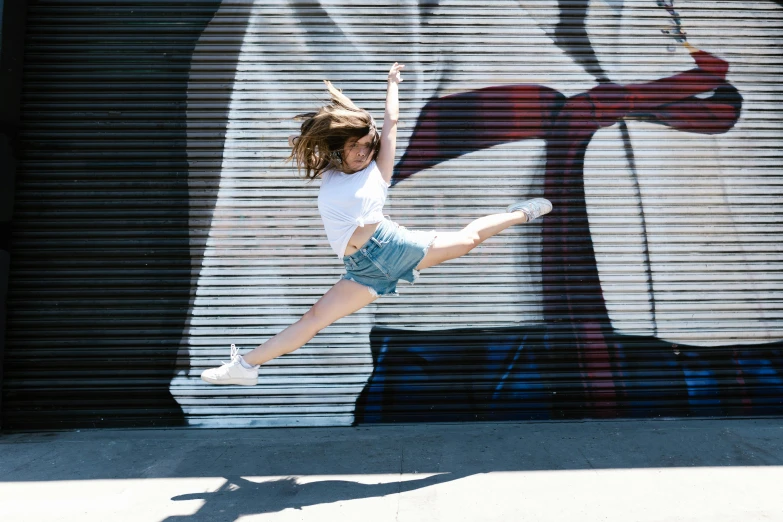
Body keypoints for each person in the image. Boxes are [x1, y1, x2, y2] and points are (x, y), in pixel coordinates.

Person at [200, 62, 553, 385]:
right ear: (340, 146)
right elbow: (341, 134)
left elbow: (391, 121)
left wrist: (392, 85)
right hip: (362, 268)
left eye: (368, 147)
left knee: (469, 239)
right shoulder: (332, 174)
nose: (362, 153)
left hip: (391, 246)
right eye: (355, 146)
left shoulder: (378, 172)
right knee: (313, 319)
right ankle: (244, 367)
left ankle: (521, 212)